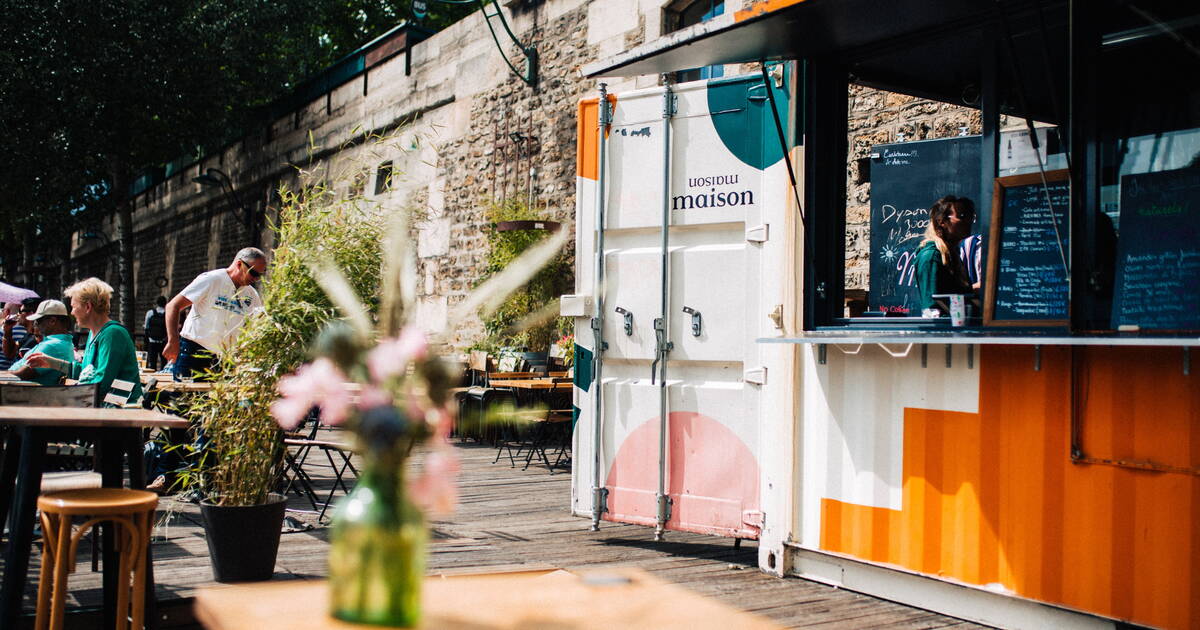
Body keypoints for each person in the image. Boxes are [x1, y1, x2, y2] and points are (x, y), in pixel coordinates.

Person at [25, 278, 143, 404]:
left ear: (87, 307)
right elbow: (86, 372)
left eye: (73, 307)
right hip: (104, 407)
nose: (72, 312)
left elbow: (101, 383)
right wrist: (50, 362)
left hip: (121, 411)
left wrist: (62, 398)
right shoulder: (95, 332)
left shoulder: (113, 334)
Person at [163, 247, 266, 380]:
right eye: (254, 273)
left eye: (260, 275)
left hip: (225, 360)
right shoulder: (212, 279)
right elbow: (173, 306)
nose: (256, 279)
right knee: (184, 399)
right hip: (194, 353)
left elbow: (257, 325)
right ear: (239, 264)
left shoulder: (251, 294)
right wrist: (173, 341)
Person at [914, 195, 976, 315]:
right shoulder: (932, 256)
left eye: (970, 217)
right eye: (961, 217)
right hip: (944, 331)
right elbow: (932, 310)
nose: (968, 222)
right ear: (941, 221)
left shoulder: (952, 254)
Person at [9, 300, 76, 385]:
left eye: (38, 320)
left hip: (28, 394)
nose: (35, 323)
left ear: (52, 321)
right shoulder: (57, 343)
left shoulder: (53, 345)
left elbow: (22, 375)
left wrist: (4, 374)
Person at [2, 297, 44, 365]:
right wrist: (7, 331)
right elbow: (9, 354)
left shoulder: (40, 337)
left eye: (20, 311)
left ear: (31, 313)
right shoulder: (28, 335)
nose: (18, 315)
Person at [144, 295, 168, 371]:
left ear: (157, 303)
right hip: (163, 341)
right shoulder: (167, 313)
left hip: (152, 340)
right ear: (165, 303)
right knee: (164, 362)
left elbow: (146, 326)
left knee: (152, 361)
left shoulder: (150, 313)